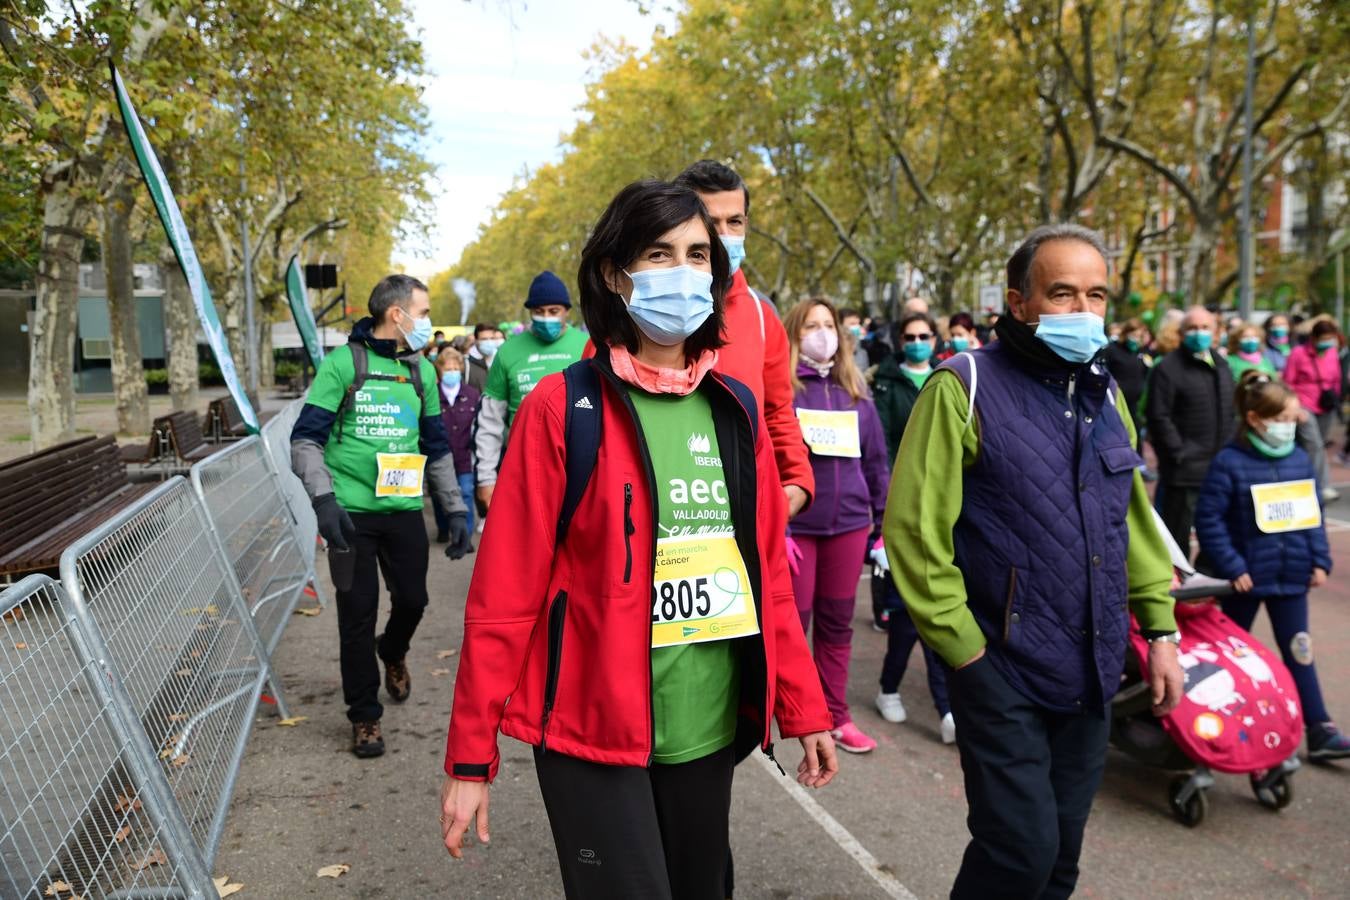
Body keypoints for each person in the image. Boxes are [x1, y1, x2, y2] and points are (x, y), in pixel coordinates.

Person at [439, 180, 838, 898]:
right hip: (592, 731)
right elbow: (503, 600)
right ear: (615, 275)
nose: (682, 274)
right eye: (659, 254)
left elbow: (767, 579)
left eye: (697, 255)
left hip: (709, 725)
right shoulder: (561, 410)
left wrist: (804, 707)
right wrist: (472, 759)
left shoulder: (735, 408)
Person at [887, 224, 1183, 899]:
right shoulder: (961, 385)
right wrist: (966, 653)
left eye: (1096, 295)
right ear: (1018, 303)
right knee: (1019, 851)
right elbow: (912, 531)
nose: (1083, 312)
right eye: (1062, 294)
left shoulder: (1106, 396)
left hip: (1094, 668)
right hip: (1000, 668)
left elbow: (1132, 522)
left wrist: (1159, 633)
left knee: (1059, 864)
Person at [290, 274, 471, 758]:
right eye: (424, 310)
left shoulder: (422, 373)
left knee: (413, 600)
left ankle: (392, 649)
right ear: (398, 314)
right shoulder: (343, 364)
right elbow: (305, 440)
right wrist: (324, 501)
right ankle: (365, 716)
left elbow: (436, 449)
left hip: (404, 510)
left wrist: (454, 509)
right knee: (356, 614)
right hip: (350, 514)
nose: (427, 321)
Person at [1194, 372, 1349, 760]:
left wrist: (1319, 559)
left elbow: (1310, 514)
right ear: (1255, 419)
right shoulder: (1228, 463)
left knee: (1300, 651)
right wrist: (1233, 567)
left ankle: (1320, 728)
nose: (1289, 427)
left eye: (1293, 419)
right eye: (1282, 419)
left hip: (1291, 577)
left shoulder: (1299, 459)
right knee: (1231, 659)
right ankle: (1221, 731)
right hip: (1244, 582)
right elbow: (1209, 520)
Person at [673, 161, 815, 519]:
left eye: (734, 222)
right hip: (665, 509)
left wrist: (796, 480)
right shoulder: (641, 310)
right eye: (710, 221)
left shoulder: (763, 316)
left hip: (745, 509)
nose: (723, 234)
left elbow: (778, 412)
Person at [783, 297, 889, 754]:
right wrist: (779, 526)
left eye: (829, 324)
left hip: (848, 528)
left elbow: (878, 465)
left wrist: (883, 526)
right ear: (795, 333)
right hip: (799, 530)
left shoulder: (857, 396)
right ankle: (788, 709)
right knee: (794, 622)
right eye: (811, 324)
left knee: (837, 624)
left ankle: (835, 715)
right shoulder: (784, 392)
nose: (822, 333)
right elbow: (769, 461)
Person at [870, 312, 953, 743]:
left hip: (946, 511)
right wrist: (884, 512)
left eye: (925, 336)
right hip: (904, 509)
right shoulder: (885, 383)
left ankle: (945, 707)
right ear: (900, 341)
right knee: (907, 619)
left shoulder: (951, 378)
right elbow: (881, 446)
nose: (918, 342)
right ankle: (890, 689)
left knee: (939, 612)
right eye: (910, 336)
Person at [474, 272, 588, 511]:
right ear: (530, 312)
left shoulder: (587, 346)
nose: (546, 318)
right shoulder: (507, 352)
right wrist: (486, 478)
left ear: (567, 310)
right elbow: (489, 422)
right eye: (539, 311)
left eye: (554, 311)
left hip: (582, 471)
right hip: (525, 471)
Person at [1145, 306, 1235, 550]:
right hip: (1184, 470)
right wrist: (1178, 453)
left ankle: (1210, 573)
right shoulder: (1168, 368)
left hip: (1218, 466)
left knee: (1216, 530)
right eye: (1193, 328)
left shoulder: (1221, 364)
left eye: (1205, 327)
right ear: (1182, 333)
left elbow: (1230, 410)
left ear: (1215, 332)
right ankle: (1178, 581)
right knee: (1177, 533)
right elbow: (1158, 416)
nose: (1199, 333)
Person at [431, 348, 480, 544]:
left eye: (454, 367)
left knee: (466, 492)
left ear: (460, 368)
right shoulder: (432, 394)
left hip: (465, 455)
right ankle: (443, 528)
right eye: (447, 368)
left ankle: (465, 536)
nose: (451, 371)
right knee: (439, 494)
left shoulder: (472, 394)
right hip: (440, 455)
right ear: (440, 370)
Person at [1104, 318, 1152, 434]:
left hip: (1134, 406)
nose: (1136, 339)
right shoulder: (1112, 350)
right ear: (1126, 334)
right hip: (1115, 403)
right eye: (1133, 335)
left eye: (1139, 336)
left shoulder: (1142, 352)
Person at [465, 322, 503, 392]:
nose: (489, 342)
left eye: (492, 338)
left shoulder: (501, 360)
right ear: (476, 341)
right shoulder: (467, 363)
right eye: (484, 339)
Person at [838, 307, 871, 372]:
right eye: (852, 324)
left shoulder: (862, 352)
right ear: (840, 326)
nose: (857, 327)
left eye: (858, 324)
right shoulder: (834, 353)